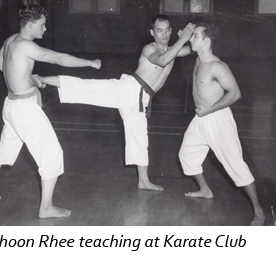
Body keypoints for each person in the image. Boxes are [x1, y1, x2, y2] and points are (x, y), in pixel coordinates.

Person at [37, 15, 195, 191]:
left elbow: (192, 48)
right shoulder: (150, 48)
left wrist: (193, 35)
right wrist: (182, 39)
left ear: (171, 31)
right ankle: (39, 79)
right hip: (129, 89)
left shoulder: (174, 48)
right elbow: (163, 60)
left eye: (167, 30)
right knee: (87, 87)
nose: (164, 34)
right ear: (152, 32)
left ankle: (143, 181)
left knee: (140, 138)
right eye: (159, 30)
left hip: (141, 99)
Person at [0, 4, 101, 218]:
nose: (44, 29)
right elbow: (58, 58)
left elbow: (0, 63)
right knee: (52, 154)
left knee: (2, 152)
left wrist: (25, 78)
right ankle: (46, 208)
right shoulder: (25, 46)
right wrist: (90, 62)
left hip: (12, 105)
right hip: (25, 110)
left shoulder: (10, 40)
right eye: (42, 25)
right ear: (32, 24)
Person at [178, 22, 265, 225]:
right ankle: (205, 190)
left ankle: (259, 211)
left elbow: (235, 93)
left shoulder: (217, 66)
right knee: (186, 157)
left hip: (218, 119)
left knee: (236, 166)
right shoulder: (199, 60)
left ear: (206, 41)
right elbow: (183, 47)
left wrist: (209, 109)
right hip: (200, 120)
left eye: (196, 36)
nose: (192, 39)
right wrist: (185, 35)